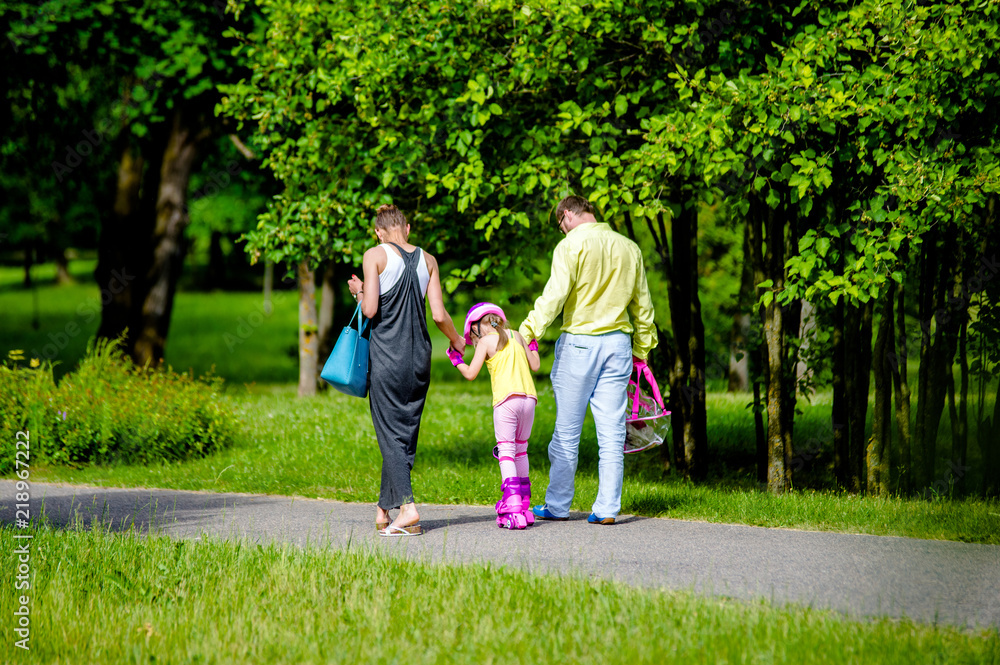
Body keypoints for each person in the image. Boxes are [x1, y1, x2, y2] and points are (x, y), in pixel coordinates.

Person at [518, 195, 657, 525]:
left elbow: (554, 296)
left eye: (560, 224)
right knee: (611, 433)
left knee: (567, 432)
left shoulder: (571, 245)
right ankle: (608, 510)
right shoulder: (629, 248)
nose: (561, 231)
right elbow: (643, 307)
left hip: (580, 343)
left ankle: (558, 505)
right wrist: (642, 349)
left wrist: (526, 332)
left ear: (567, 214)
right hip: (619, 346)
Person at [347, 204, 465, 537]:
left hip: (387, 357)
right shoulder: (429, 260)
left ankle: (408, 508)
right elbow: (440, 315)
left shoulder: (375, 255)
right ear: (408, 228)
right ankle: (384, 510)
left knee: (389, 435)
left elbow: (370, 309)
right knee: (404, 434)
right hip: (419, 359)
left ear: (378, 232)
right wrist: (457, 340)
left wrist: (358, 292)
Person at [448, 302, 541, 530]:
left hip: (506, 401)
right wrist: (534, 345)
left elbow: (471, 374)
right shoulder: (517, 335)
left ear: (478, 326)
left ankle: (512, 505)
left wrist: (456, 360)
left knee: (506, 452)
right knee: (521, 449)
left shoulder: (487, 342)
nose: (473, 338)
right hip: (529, 399)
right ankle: (525, 504)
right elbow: (536, 365)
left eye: (472, 333)